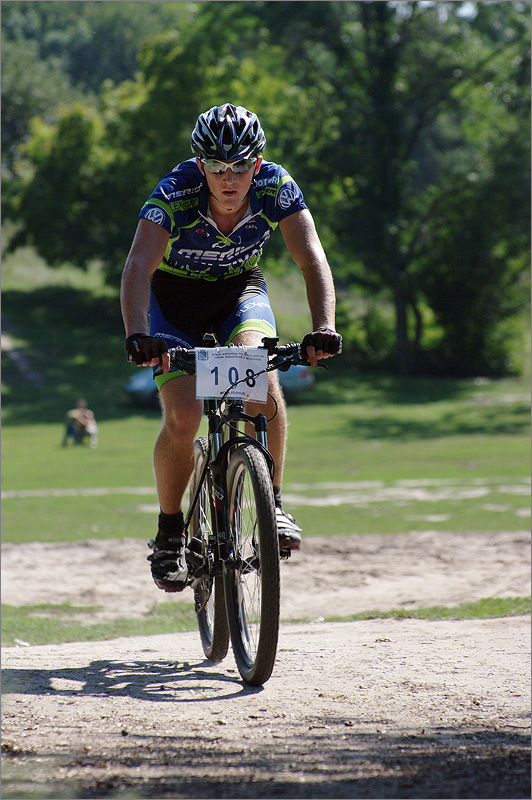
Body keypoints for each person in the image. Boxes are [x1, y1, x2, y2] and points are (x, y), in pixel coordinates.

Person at [121, 103, 342, 593]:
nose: (229, 178)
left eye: (240, 166)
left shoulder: (276, 187)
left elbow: (312, 259)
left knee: (261, 382)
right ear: (200, 165)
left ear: (256, 164)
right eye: (217, 166)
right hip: (173, 305)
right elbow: (137, 266)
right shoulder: (175, 192)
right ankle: (170, 532)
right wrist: (138, 334)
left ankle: (272, 503)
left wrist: (323, 327)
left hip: (239, 295)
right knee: (184, 415)